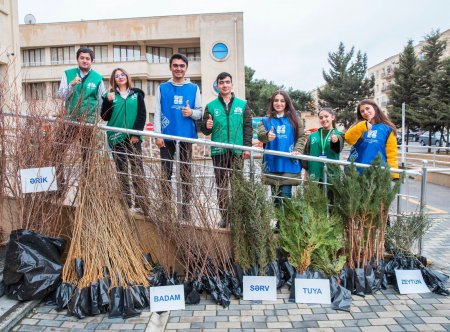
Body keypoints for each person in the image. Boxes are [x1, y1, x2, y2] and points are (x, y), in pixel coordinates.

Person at [153, 53, 202, 220]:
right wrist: (158, 135)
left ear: (186, 68)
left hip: (186, 137)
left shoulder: (194, 88)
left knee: (185, 173)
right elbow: (158, 113)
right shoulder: (162, 88)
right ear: (171, 67)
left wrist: (191, 112)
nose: (179, 69)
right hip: (166, 138)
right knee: (165, 172)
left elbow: (200, 112)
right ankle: (166, 206)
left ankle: (185, 208)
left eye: (182, 66)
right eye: (175, 65)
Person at [201, 72, 252, 228]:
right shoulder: (210, 106)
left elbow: (248, 128)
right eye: (221, 82)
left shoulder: (242, 105)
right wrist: (206, 126)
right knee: (221, 186)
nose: (224, 85)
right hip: (219, 151)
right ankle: (225, 216)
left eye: (227, 82)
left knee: (237, 186)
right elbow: (204, 130)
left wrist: (247, 147)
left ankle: (237, 217)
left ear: (231, 84)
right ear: (217, 85)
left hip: (237, 152)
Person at [54, 47, 106, 196]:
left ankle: (87, 189)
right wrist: (71, 85)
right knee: (57, 150)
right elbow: (62, 96)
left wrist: (98, 120)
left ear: (91, 61)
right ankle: (59, 185)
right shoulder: (68, 74)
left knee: (88, 156)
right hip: (70, 120)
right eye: (82, 58)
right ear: (78, 59)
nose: (85, 60)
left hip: (89, 122)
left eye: (88, 58)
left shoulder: (98, 78)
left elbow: (102, 101)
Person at [100, 68, 148, 214]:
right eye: (117, 76)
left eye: (122, 75)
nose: (120, 77)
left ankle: (142, 205)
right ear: (113, 80)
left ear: (127, 77)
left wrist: (135, 134)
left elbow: (142, 115)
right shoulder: (109, 96)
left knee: (137, 170)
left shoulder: (137, 94)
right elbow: (104, 117)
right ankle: (126, 205)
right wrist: (107, 102)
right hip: (116, 137)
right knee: (122, 172)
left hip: (133, 138)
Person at [257, 90, 305, 209]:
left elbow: (301, 137)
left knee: (286, 194)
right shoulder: (265, 120)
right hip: (272, 163)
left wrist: (298, 150)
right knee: (276, 197)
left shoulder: (295, 119)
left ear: (287, 103)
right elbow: (260, 136)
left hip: (288, 163)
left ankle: (287, 224)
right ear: (272, 103)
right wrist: (267, 136)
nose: (279, 103)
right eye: (276, 100)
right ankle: (279, 225)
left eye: (282, 101)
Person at [345, 99, 399, 179]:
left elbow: (391, 153)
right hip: (355, 170)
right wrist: (362, 126)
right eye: (362, 111)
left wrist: (394, 173)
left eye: (367, 108)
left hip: (377, 173)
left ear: (375, 108)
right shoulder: (357, 126)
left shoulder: (388, 128)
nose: (365, 112)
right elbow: (349, 139)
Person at [302, 108, 344, 183]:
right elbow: (306, 155)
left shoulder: (339, 134)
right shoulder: (312, 136)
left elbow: (338, 149)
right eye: (321, 118)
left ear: (333, 117)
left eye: (326, 116)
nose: (324, 119)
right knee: (314, 194)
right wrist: (305, 175)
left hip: (332, 174)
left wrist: (335, 141)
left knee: (331, 194)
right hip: (314, 172)